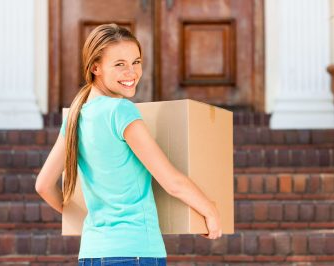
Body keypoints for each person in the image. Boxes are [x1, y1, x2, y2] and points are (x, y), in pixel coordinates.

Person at [35, 23, 222, 266]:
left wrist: (89, 223)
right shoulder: (120, 110)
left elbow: (43, 185)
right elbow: (171, 182)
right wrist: (210, 211)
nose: (132, 72)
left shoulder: (75, 117)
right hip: (135, 252)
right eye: (120, 64)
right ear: (95, 67)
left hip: (91, 254)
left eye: (136, 62)